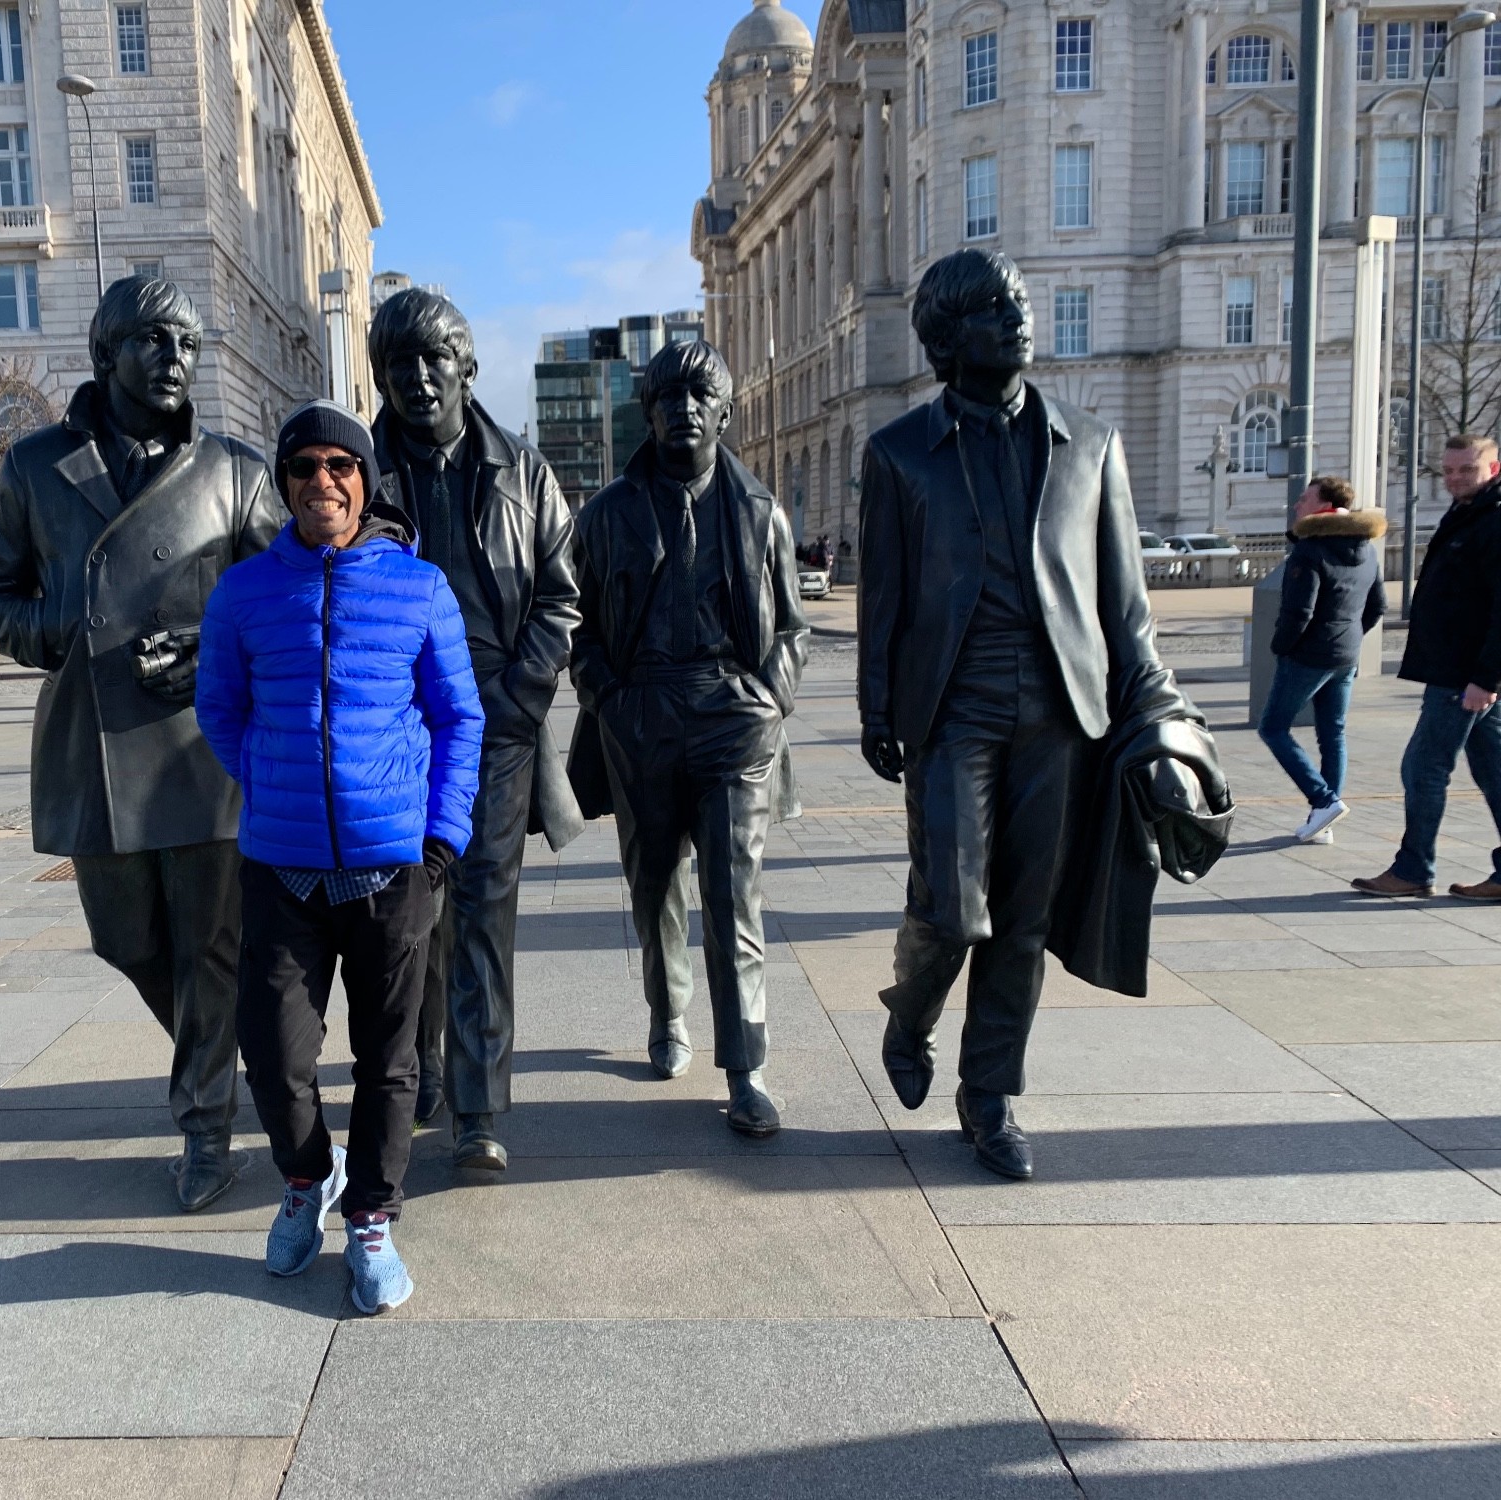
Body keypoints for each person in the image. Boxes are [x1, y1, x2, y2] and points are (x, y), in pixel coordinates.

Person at [858, 249, 1216, 1180]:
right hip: (951, 707)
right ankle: (910, 1008)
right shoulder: (898, 452)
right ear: (945, 339)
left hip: (1062, 714)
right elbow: (884, 596)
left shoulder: (1090, 445)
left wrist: (1160, 724)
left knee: (1021, 920)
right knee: (952, 906)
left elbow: (1124, 608)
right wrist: (874, 708)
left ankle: (990, 1097)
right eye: (989, 310)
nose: (1015, 320)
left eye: (1016, 304)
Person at [0, 275, 287, 1211]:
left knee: (211, 950)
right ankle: (225, 1061)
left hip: (204, 750)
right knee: (127, 941)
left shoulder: (234, 472)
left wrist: (214, 650)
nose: (176, 358)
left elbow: (285, 594)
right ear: (107, 353)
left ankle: (205, 1128)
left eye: (187, 342)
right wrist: (64, 626)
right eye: (153, 340)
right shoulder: (35, 467)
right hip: (93, 751)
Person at [196, 399, 483, 1315]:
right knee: (275, 1056)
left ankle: (370, 1217)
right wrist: (272, 774)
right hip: (281, 866)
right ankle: (305, 1179)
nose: (323, 480)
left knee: (388, 1061)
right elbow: (220, 709)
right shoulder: (245, 592)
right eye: (305, 466)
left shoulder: (420, 587)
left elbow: (458, 718)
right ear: (285, 483)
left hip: (393, 869)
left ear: (365, 480)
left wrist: (440, 837)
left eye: (340, 465)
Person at [567, 339, 809, 1138]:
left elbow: (794, 629)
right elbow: (580, 628)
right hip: (642, 719)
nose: (683, 412)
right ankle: (669, 1011)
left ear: (725, 414)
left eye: (699, 399)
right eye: (668, 399)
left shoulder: (759, 511)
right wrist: (610, 697)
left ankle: (746, 1067)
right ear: (650, 413)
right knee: (654, 886)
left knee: (733, 896)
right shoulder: (605, 516)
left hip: (732, 720)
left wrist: (768, 696)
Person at [367, 288, 582, 1171]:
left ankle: (480, 1109)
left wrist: (521, 696)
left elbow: (563, 596)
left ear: (467, 367)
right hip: (392, 730)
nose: (418, 379)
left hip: (494, 727)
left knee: (485, 909)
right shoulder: (358, 471)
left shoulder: (524, 472)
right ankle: (418, 1067)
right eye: (398, 365)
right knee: (407, 911)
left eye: (434, 360)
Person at [1353, 433, 1501, 900]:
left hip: (1465, 675)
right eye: (1449, 470)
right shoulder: (1468, 514)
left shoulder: (1493, 521)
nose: (1455, 479)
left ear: (1493, 470)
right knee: (1493, 769)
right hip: (1459, 669)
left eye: (1467, 470)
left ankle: (1413, 868)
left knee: (1423, 767)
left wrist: (1486, 678)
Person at [1258, 476, 1384, 845]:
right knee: (1333, 733)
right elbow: (1378, 606)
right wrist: (1351, 637)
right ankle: (1322, 820)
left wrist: (1282, 646)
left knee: (1273, 728)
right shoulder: (1367, 548)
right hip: (1346, 654)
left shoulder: (1310, 550)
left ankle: (1323, 800)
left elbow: (1299, 610)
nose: (1297, 505)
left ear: (1323, 505)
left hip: (1308, 655)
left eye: (1304, 499)